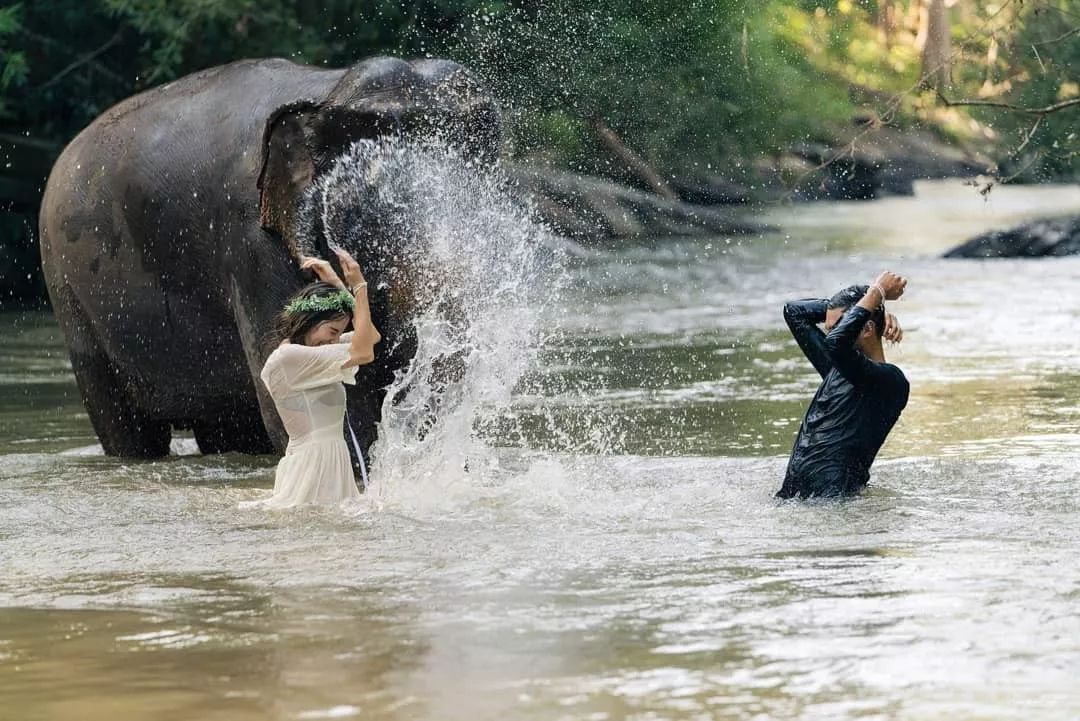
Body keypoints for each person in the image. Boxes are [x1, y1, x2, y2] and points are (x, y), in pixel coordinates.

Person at [243, 247, 381, 509]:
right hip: (313, 468)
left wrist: (336, 284)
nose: (333, 340)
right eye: (331, 331)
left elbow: (370, 338)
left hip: (326, 462)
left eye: (339, 333)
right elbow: (364, 351)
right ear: (310, 320)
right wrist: (358, 286)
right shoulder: (290, 359)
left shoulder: (309, 353)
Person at [777, 271, 909, 499]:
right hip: (794, 499)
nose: (834, 333)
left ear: (867, 329)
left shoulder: (890, 382)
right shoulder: (837, 369)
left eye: (840, 326)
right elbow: (794, 312)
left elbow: (837, 343)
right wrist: (872, 307)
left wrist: (877, 293)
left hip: (836, 506)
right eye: (831, 329)